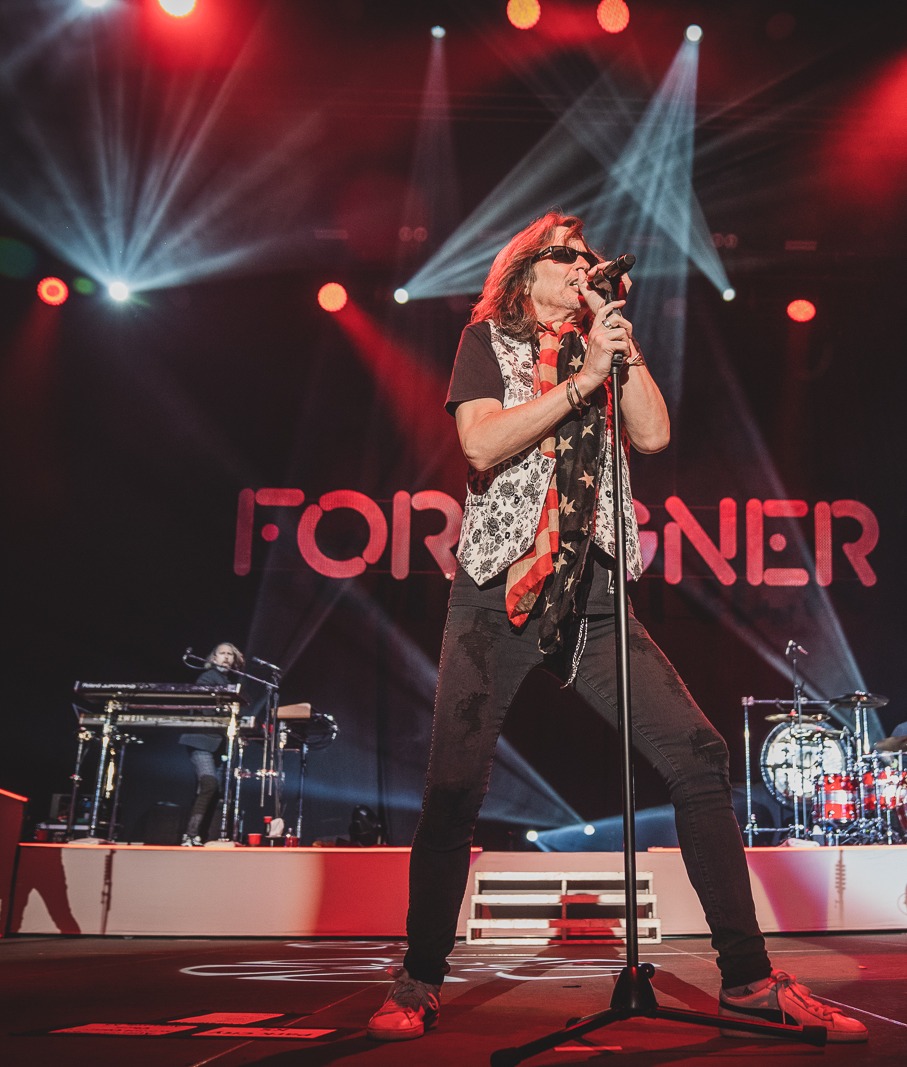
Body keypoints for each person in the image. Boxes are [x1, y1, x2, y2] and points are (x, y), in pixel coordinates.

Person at [367, 213, 866, 1044]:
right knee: (454, 790)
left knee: (699, 757)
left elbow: (655, 433)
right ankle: (417, 979)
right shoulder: (489, 337)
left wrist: (612, 351)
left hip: (592, 592)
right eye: (568, 257)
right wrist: (574, 382)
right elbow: (481, 442)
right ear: (527, 272)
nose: (584, 266)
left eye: (590, 258)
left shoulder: (605, 344)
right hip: (499, 592)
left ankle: (746, 979)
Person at [181, 642, 241, 847]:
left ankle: (199, 835)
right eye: (222, 654)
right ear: (213, 659)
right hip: (201, 740)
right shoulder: (208, 677)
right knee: (209, 784)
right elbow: (205, 706)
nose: (226, 657)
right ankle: (189, 835)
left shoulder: (225, 679)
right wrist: (226, 711)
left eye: (229, 655)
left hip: (216, 744)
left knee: (214, 790)